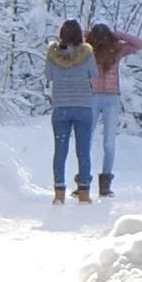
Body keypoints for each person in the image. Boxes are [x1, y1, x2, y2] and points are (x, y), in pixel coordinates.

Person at [45, 22, 98, 200]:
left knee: (60, 151)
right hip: (83, 106)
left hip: (61, 107)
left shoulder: (53, 54)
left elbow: (49, 75)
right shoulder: (87, 54)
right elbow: (94, 74)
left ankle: (59, 193)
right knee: (83, 150)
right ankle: (84, 192)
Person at [85, 20, 138, 195]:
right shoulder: (87, 50)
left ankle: (105, 182)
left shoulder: (116, 50)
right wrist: (88, 34)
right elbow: (72, 39)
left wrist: (118, 35)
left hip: (111, 97)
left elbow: (138, 43)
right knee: (87, 140)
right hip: (92, 97)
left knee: (108, 142)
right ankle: (84, 179)